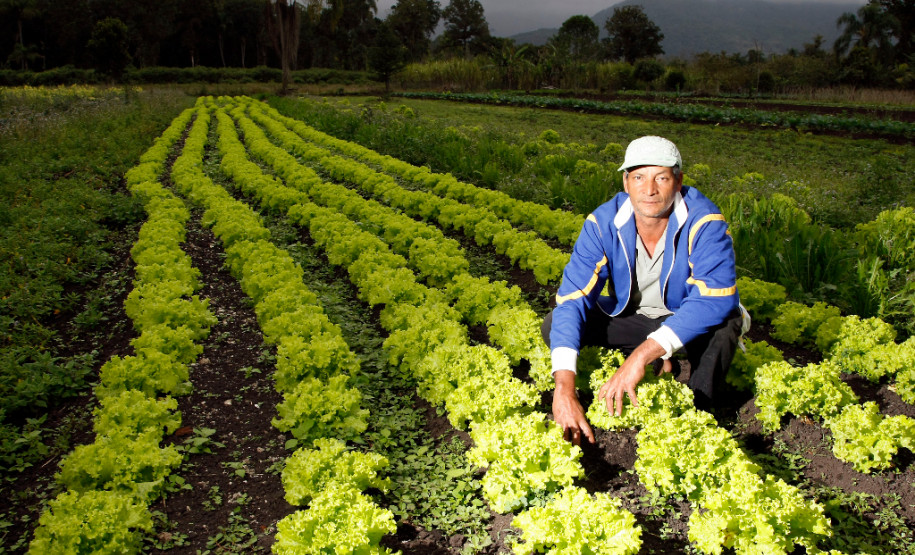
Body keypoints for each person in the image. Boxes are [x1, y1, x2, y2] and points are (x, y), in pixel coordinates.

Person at [542, 136, 747, 445]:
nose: (649, 189)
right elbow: (573, 299)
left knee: (726, 320)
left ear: (678, 182)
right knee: (555, 323)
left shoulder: (705, 221)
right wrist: (564, 390)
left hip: (686, 323)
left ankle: (699, 411)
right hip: (636, 319)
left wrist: (639, 356)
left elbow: (713, 298)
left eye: (661, 178)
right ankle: (658, 359)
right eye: (639, 177)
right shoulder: (603, 223)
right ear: (626, 182)